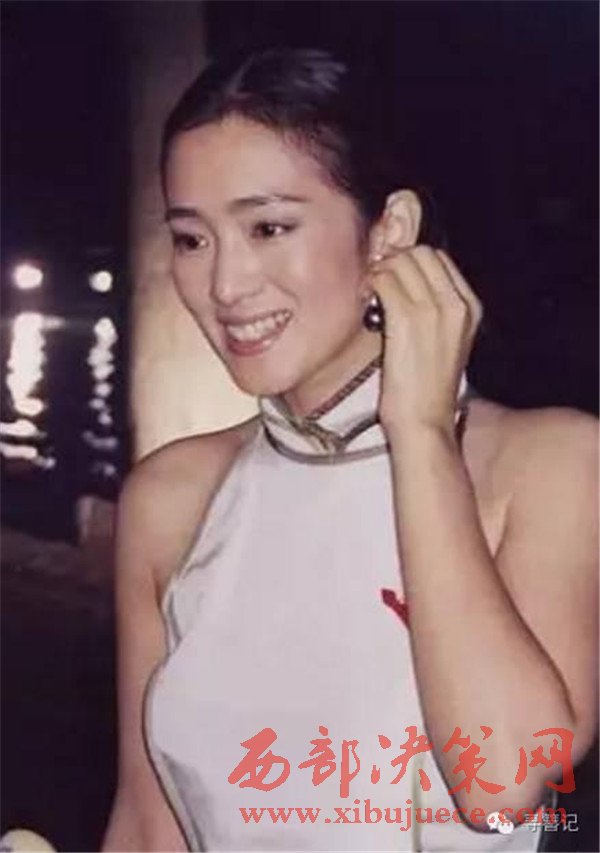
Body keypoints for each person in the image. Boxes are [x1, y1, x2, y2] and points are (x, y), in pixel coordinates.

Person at [101, 46, 598, 852]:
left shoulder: (550, 466)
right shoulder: (172, 497)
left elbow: (504, 785)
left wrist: (422, 432)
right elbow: (148, 824)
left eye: (268, 227)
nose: (224, 284)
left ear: (388, 231)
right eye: (192, 239)